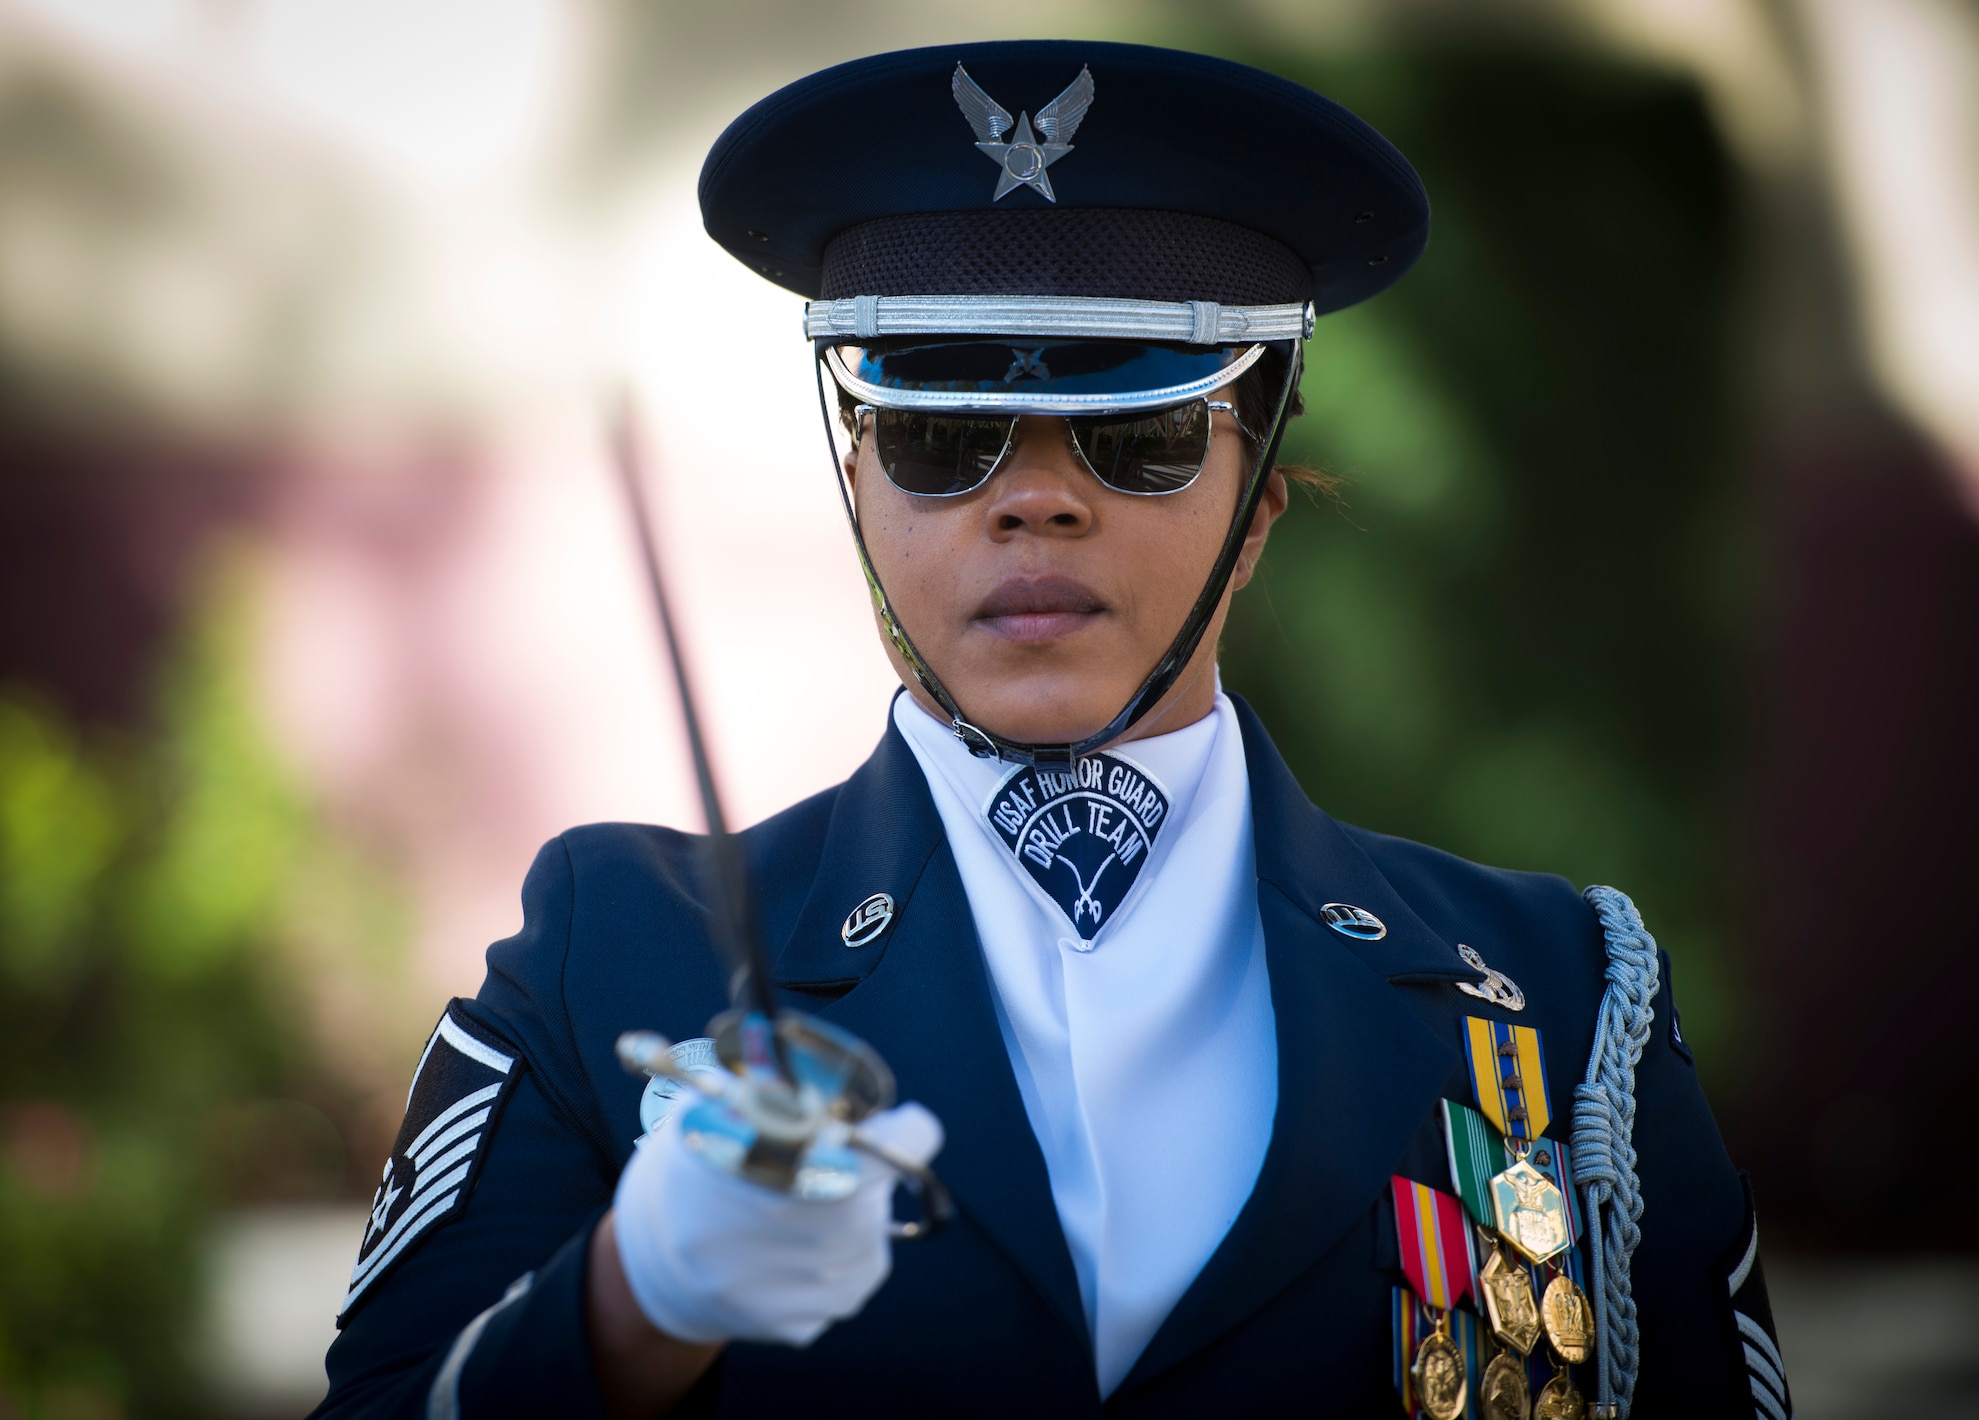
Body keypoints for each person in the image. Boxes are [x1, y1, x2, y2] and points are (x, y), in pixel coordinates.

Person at [314, 39, 1790, 1420]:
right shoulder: (616, 958)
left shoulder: (1562, 998)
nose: (1037, 498)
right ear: (859, 483)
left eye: (1138, 436)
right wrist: (632, 1303)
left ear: (1259, 500)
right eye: (943, 437)